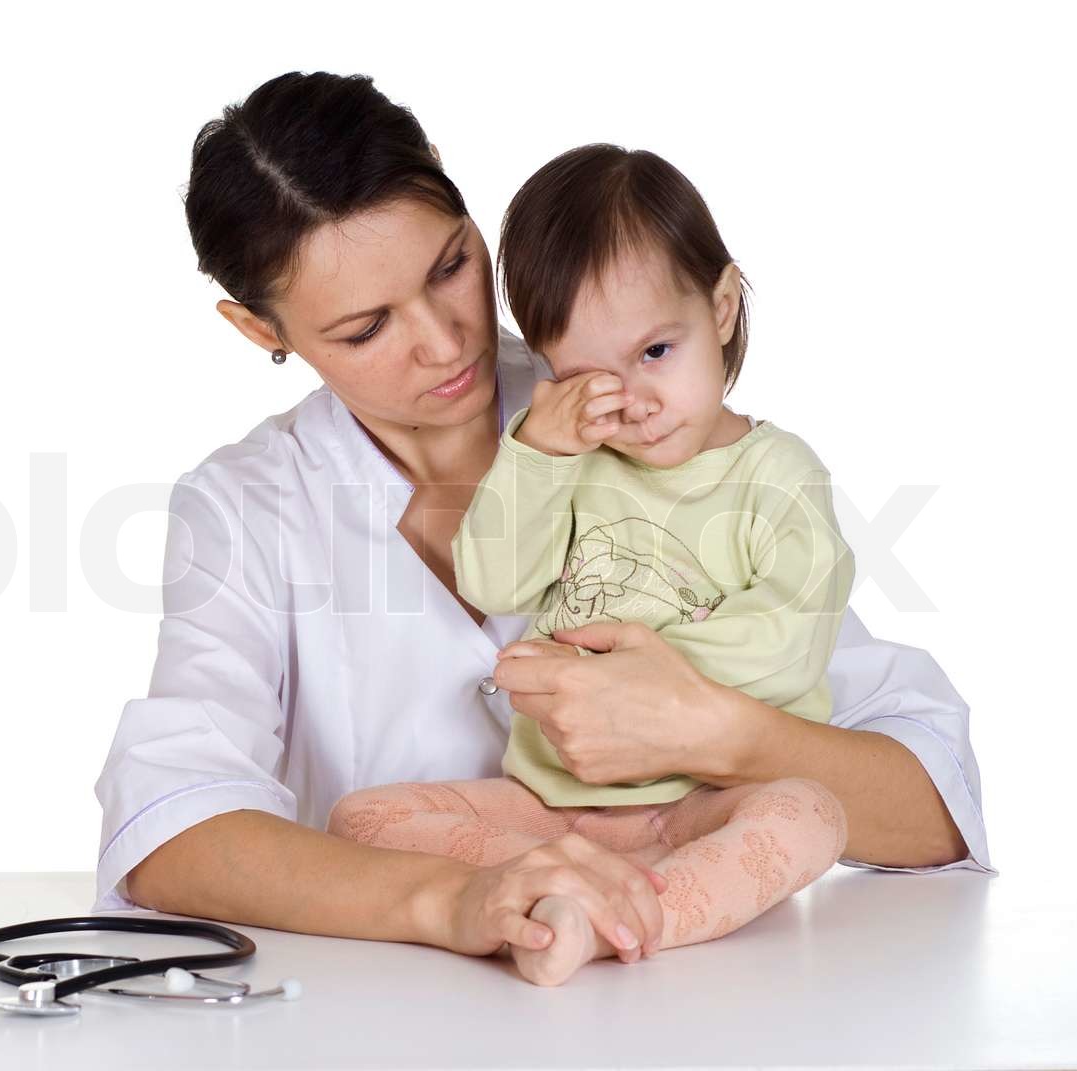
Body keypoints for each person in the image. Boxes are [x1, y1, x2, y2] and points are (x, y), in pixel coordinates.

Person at [92, 71, 992, 975]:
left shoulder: (638, 405)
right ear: (260, 330)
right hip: (396, 1017)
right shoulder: (244, 506)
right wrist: (453, 898)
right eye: (367, 329)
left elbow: (930, 804)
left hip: (690, 1011)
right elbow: (170, 832)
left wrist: (708, 726)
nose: (446, 342)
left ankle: (641, 913)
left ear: (449, 179)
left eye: (451, 267)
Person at [324, 144, 858, 985]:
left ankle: (617, 918)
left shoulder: (779, 476)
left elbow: (791, 641)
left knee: (812, 815)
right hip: (549, 808)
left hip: (701, 805)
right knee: (361, 819)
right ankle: (560, 887)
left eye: (656, 352)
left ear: (722, 307)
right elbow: (494, 579)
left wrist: (625, 685)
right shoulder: (575, 461)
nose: (633, 404)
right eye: (587, 378)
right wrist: (538, 451)